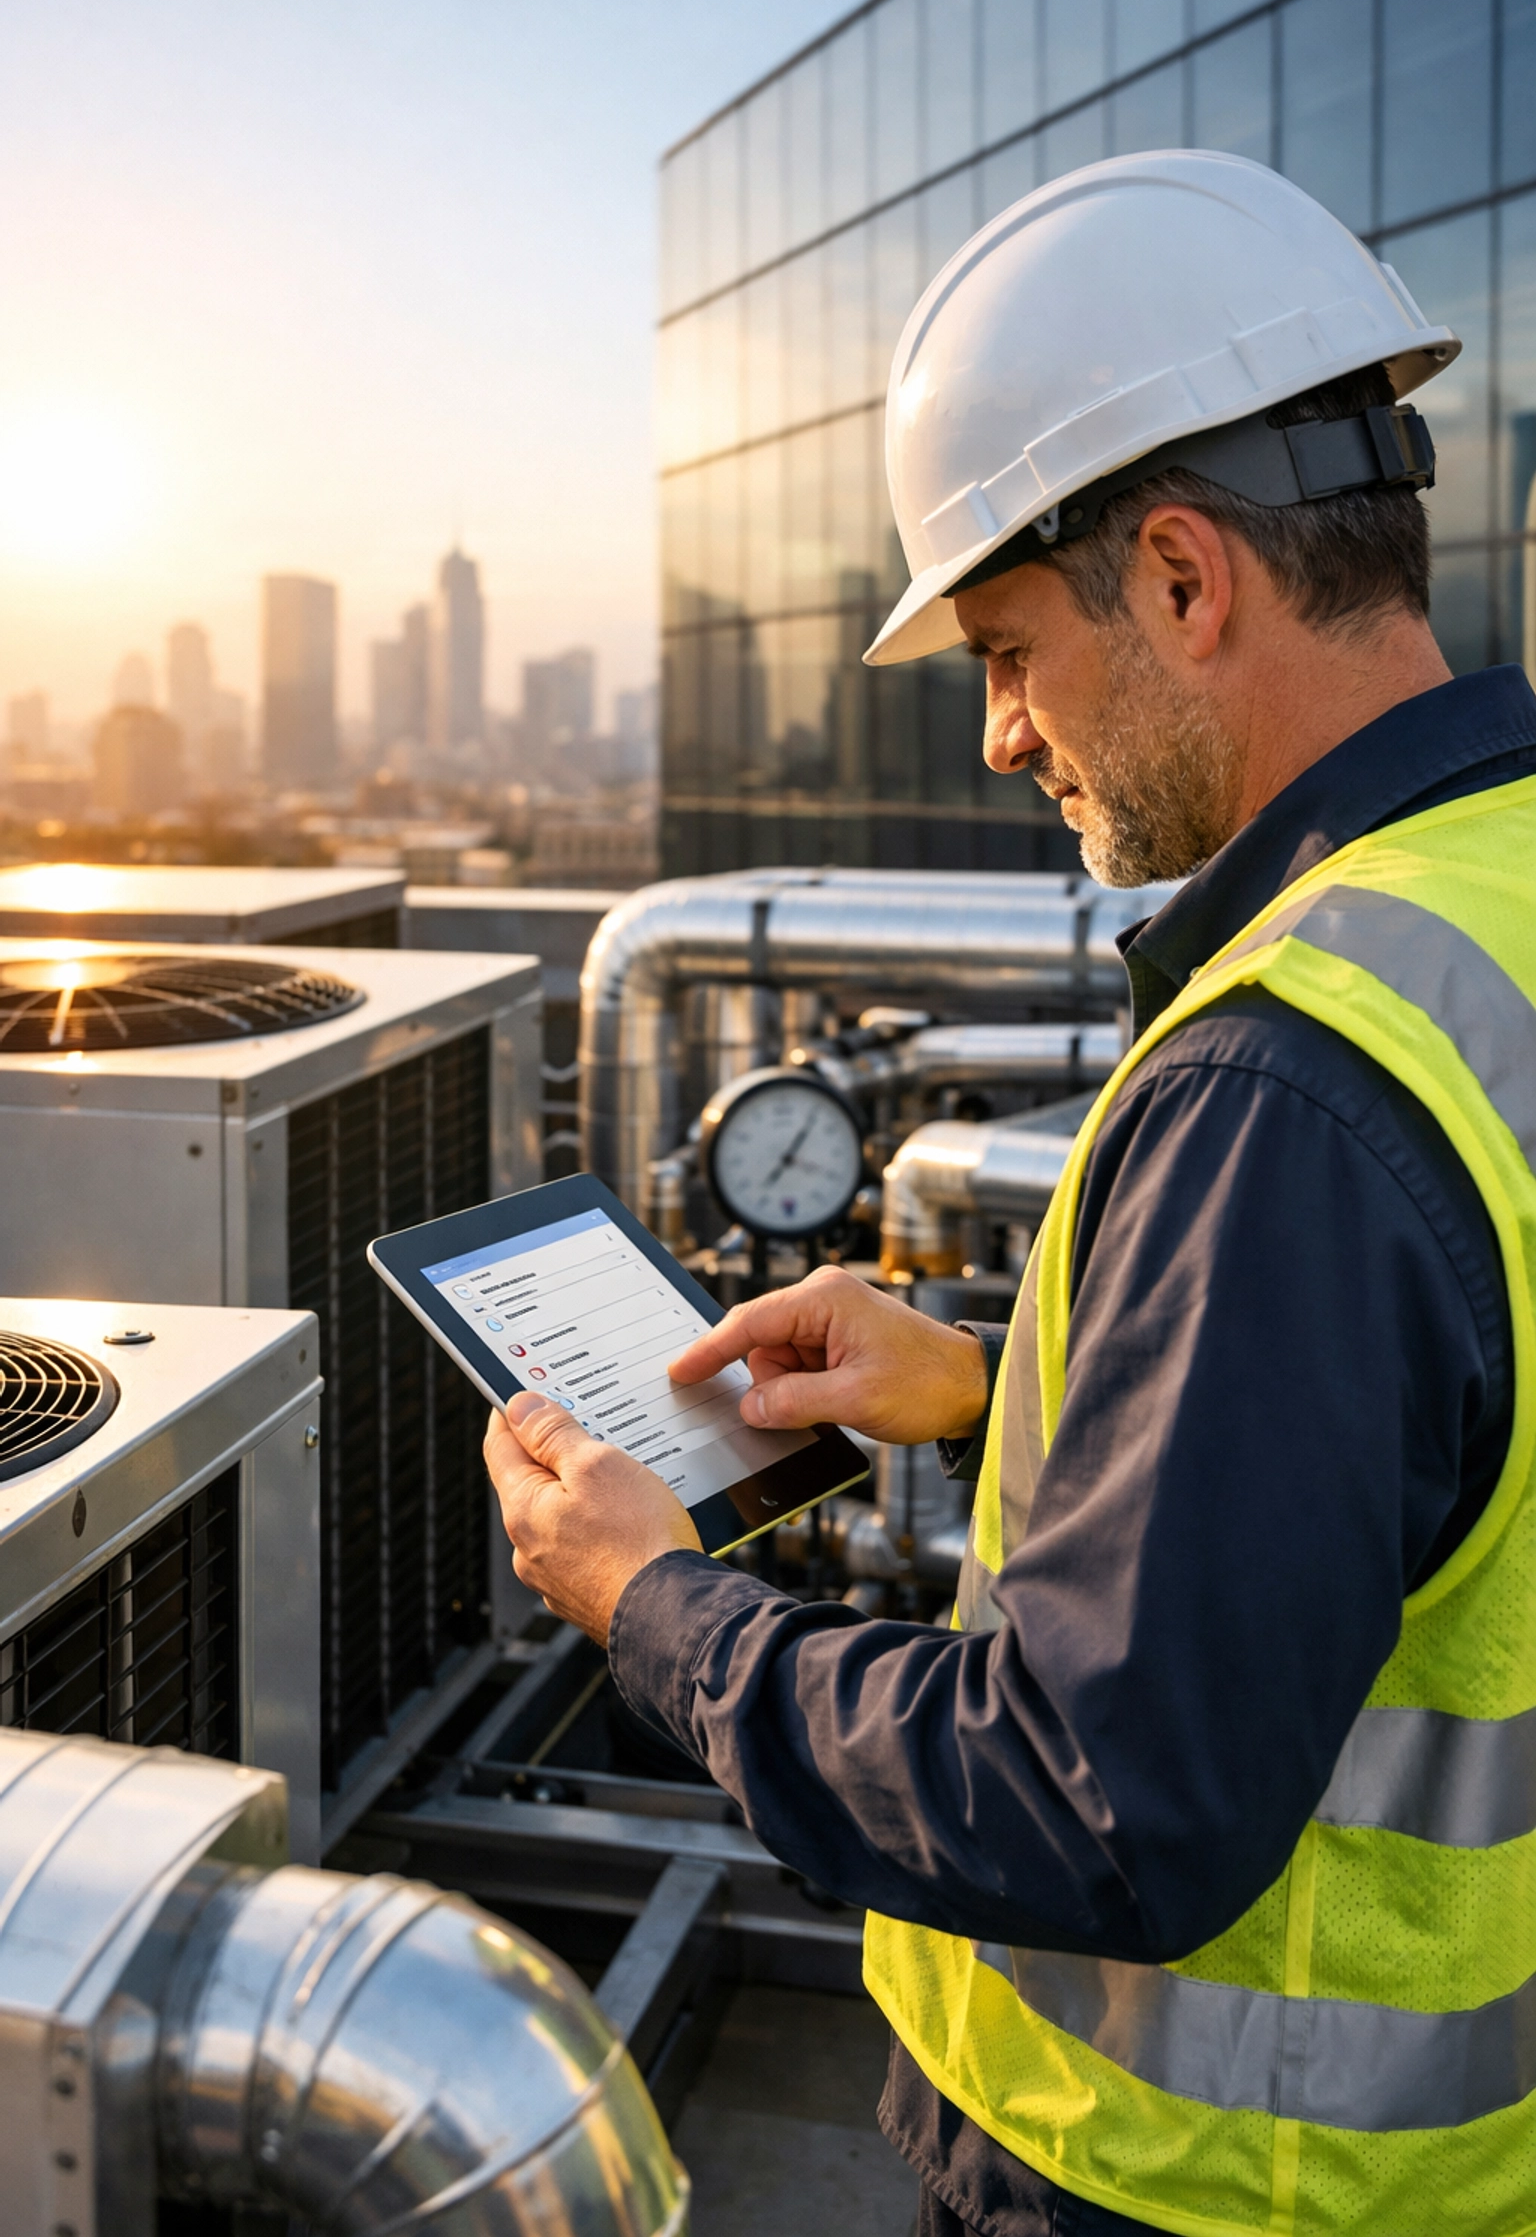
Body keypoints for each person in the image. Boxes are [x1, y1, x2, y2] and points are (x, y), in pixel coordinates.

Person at [485, 153, 1536, 2235]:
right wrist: (990, 1389)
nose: (997, 737)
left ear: (1182, 578)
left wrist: (657, 1606)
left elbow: (1089, 1800)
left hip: (1201, 2181)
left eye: (1004, 649)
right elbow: (1430, 1433)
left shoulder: (1291, 1079)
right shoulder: (1483, 907)